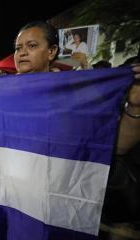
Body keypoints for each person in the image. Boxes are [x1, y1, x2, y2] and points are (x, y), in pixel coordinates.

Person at [14, 20, 140, 236]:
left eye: (32, 46)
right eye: (18, 48)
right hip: (15, 202)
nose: (22, 53)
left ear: (52, 51)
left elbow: (115, 146)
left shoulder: (78, 93)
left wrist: (136, 105)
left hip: (63, 207)